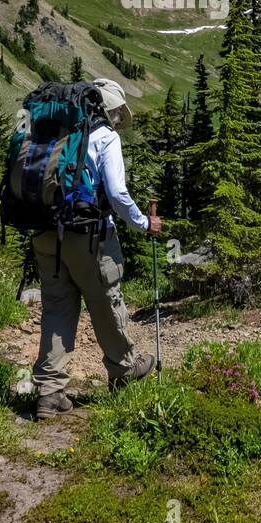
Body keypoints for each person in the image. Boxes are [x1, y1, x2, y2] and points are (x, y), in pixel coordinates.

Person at [32, 77, 163, 419]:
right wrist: (144, 223)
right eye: (119, 112)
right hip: (88, 235)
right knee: (106, 301)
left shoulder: (55, 131)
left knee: (57, 309)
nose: (120, 119)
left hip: (46, 233)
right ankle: (124, 370)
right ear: (109, 109)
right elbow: (118, 194)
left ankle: (48, 393)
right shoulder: (105, 137)